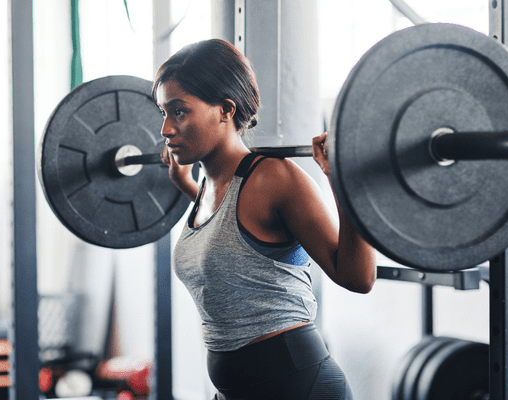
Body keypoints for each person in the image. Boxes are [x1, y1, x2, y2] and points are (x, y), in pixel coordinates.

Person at [153, 38, 376, 400]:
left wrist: (346, 182)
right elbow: (233, 243)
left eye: (179, 111)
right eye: (163, 112)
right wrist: (187, 187)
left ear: (225, 109)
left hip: (296, 387)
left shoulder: (275, 178)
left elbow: (358, 277)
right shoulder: (211, 186)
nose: (165, 128)